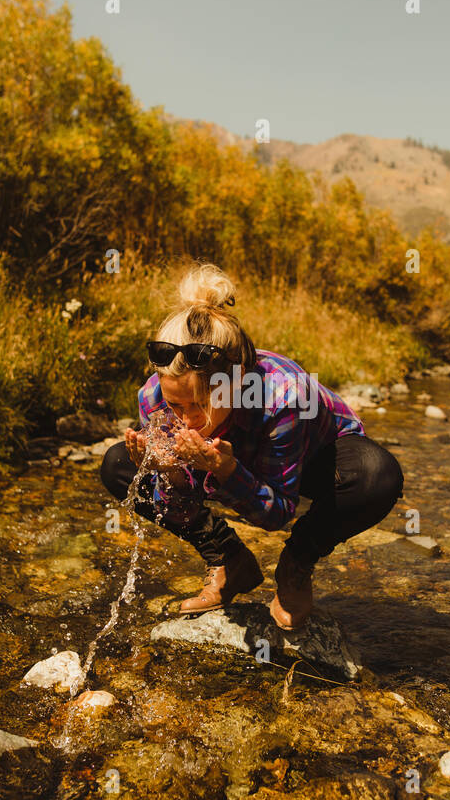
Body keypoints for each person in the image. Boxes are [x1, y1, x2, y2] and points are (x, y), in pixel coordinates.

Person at [99, 264, 405, 630]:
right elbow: (178, 508)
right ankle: (229, 560)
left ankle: (297, 564)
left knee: (377, 475)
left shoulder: (286, 394)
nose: (186, 419)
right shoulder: (154, 396)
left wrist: (227, 471)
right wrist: (170, 475)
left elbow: (277, 515)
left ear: (237, 381)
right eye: (177, 406)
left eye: (201, 404)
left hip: (315, 457)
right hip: (232, 454)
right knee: (118, 464)